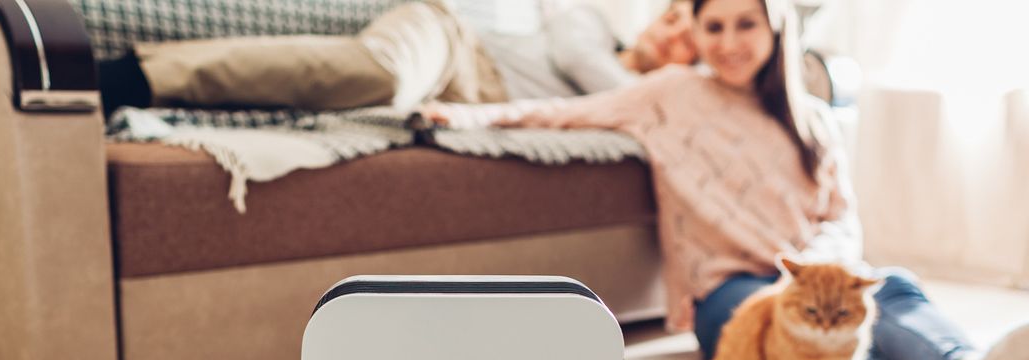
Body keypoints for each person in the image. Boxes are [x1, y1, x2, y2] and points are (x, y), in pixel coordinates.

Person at [426, 0, 1029, 360]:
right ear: (695, 32)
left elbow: (842, 217)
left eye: (745, 24)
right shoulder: (670, 93)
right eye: (713, 27)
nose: (730, 42)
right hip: (732, 296)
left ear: (775, 29)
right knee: (805, 351)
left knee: (890, 286)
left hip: (810, 274)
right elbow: (558, 115)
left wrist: (819, 269)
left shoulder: (813, 119)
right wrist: (462, 114)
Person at [97, 1, 696, 115]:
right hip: (451, 41)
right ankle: (132, 75)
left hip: (467, 101)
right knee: (383, 75)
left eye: (689, 39)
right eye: (672, 19)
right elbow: (597, 76)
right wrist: (671, 85)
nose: (673, 38)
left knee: (387, 90)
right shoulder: (588, 24)